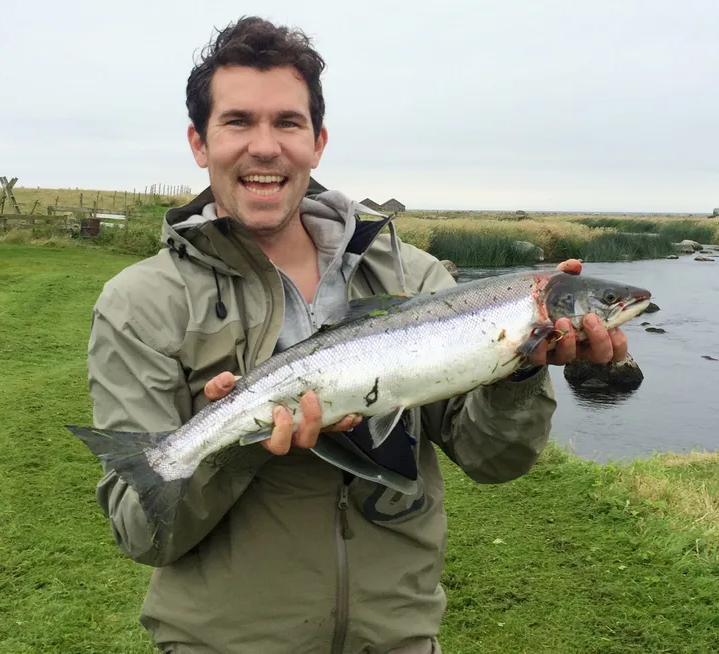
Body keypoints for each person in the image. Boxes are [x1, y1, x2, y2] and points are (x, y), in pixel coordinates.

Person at [85, 15, 627, 654]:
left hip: (398, 639)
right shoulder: (138, 304)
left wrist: (522, 373)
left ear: (317, 142)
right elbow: (143, 533)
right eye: (237, 122)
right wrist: (245, 440)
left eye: (287, 123)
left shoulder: (416, 275)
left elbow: (494, 462)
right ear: (199, 143)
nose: (265, 147)